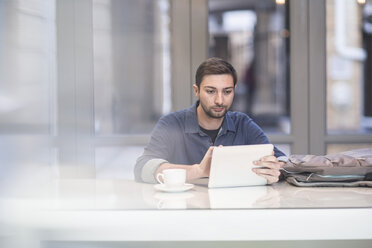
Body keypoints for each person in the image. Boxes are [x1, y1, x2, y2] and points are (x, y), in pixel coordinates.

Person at [134, 57, 287, 184]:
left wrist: (276, 167)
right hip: (185, 213)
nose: (219, 100)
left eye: (227, 92)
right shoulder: (172, 124)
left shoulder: (243, 124)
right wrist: (198, 171)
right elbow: (142, 167)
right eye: (211, 91)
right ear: (196, 91)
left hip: (232, 211)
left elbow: (282, 159)